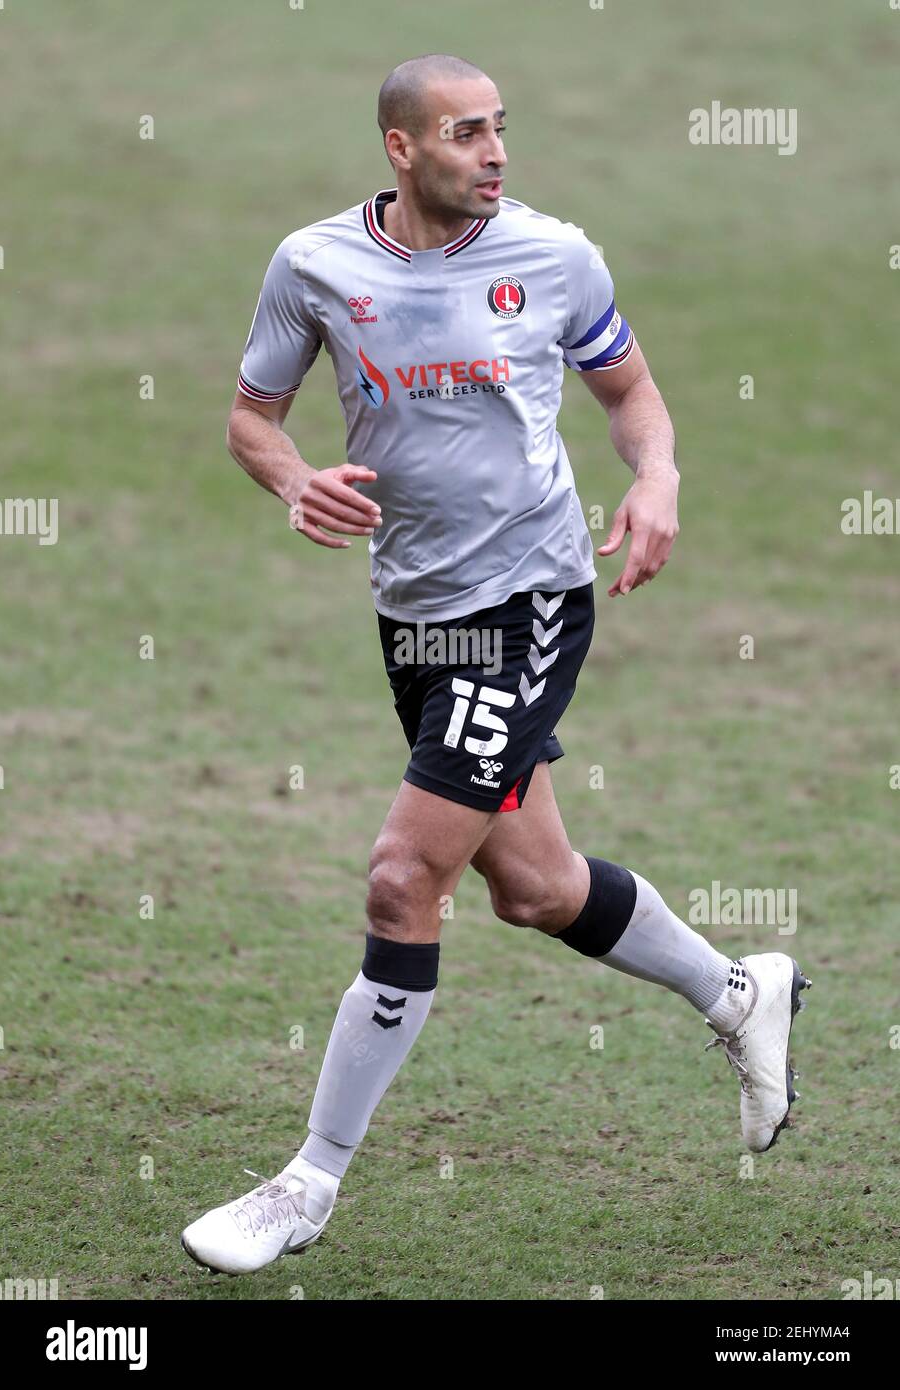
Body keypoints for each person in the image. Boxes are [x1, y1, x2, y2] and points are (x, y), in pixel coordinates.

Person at [182, 54, 809, 1276]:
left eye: (501, 130)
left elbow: (631, 392)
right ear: (401, 149)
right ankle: (741, 994)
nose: (496, 151)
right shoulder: (314, 264)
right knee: (533, 885)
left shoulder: (553, 258)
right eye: (467, 133)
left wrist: (658, 475)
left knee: (401, 876)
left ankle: (308, 1180)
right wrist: (293, 477)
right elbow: (252, 417)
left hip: (527, 602)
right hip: (415, 616)